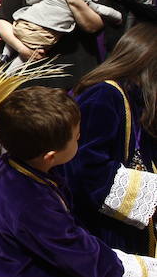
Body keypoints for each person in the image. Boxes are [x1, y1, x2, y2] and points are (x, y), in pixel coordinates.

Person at [0, 86, 157, 276]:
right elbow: (74, 250)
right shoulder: (30, 201)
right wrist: (129, 268)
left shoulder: (16, 164)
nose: (80, 138)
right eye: (76, 138)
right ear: (51, 156)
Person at [65, 23, 157, 256]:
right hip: (101, 224)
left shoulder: (137, 98)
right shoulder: (104, 95)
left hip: (128, 223)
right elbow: (84, 166)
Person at [8, 0, 119, 66]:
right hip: (30, 32)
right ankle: (6, 62)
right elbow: (3, 21)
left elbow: (94, 26)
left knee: (25, 47)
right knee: (20, 39)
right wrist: (20, 48)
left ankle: (6, 62)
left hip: (63, 55)